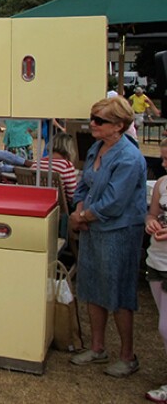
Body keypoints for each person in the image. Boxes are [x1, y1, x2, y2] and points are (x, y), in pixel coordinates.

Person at [69, 97, 146, 377]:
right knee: (91, 287)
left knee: (118, 293)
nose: (92, 123)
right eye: (93, 117)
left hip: (119, 233)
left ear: (119, 126)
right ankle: (97, 347)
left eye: (99, 120)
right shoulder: (96, 148)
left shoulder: (129, 157)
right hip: (93, 229)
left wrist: (84, 217)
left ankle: (127, 356)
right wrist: (79, 210)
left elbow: (115, 201)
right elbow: (83, 183)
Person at [144, 138, 167, 401]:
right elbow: (151, 214)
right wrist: (150, 222)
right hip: (156, 259)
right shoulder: (161, 184)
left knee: (164, 326)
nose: (162, 164)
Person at [34, 132, 79, 200]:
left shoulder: (37, 163)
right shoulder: (66, 166)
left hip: (37, 203)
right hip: (58, 207)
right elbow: (72, 196)